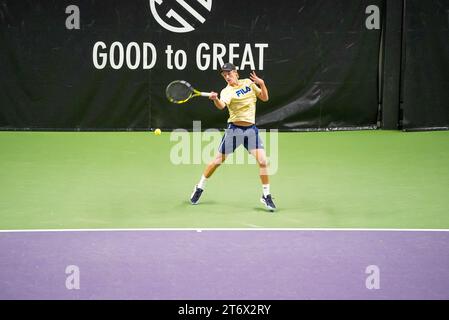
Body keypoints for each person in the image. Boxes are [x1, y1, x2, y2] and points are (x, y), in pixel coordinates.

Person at [190, 63, 276, 212]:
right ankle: (199, 187)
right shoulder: (226, 91)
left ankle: (266, 195)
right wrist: (215, 99)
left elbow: (264, 98)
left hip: (250, 130)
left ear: (236, 73)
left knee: (263, 161)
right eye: (224, 75)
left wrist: (262, 84)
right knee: (217, 161)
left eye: (229, 73)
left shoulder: (248, 83)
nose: (227, 77)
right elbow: (222, 106)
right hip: (234, 130)